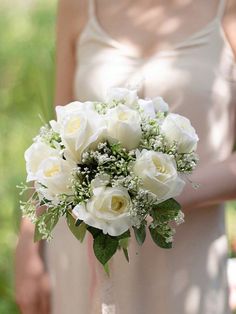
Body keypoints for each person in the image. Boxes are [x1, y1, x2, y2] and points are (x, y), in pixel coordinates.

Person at [15, 0, 236, 313]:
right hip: (81, 254)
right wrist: (28, 242)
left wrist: (165, 190)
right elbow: (55, 137)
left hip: (183, 259)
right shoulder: (78, 6)